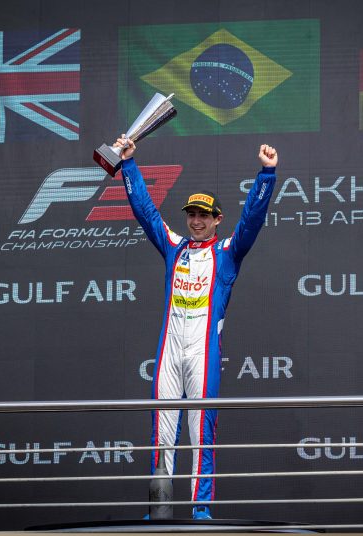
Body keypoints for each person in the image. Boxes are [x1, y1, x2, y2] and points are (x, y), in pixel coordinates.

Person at [114, 137, 276, 520]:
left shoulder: (228, 253)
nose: (196, 220)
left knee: (201, 432)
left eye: (204, 215)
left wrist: (266, 174)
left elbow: (252, 219)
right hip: (170, 352)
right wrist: (128, 165)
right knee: (162, 430)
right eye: (192, 214)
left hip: (204, 354)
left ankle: (200, 510)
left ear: (218, 219)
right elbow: (146, 212)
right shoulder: (175, 247)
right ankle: (159, 509)